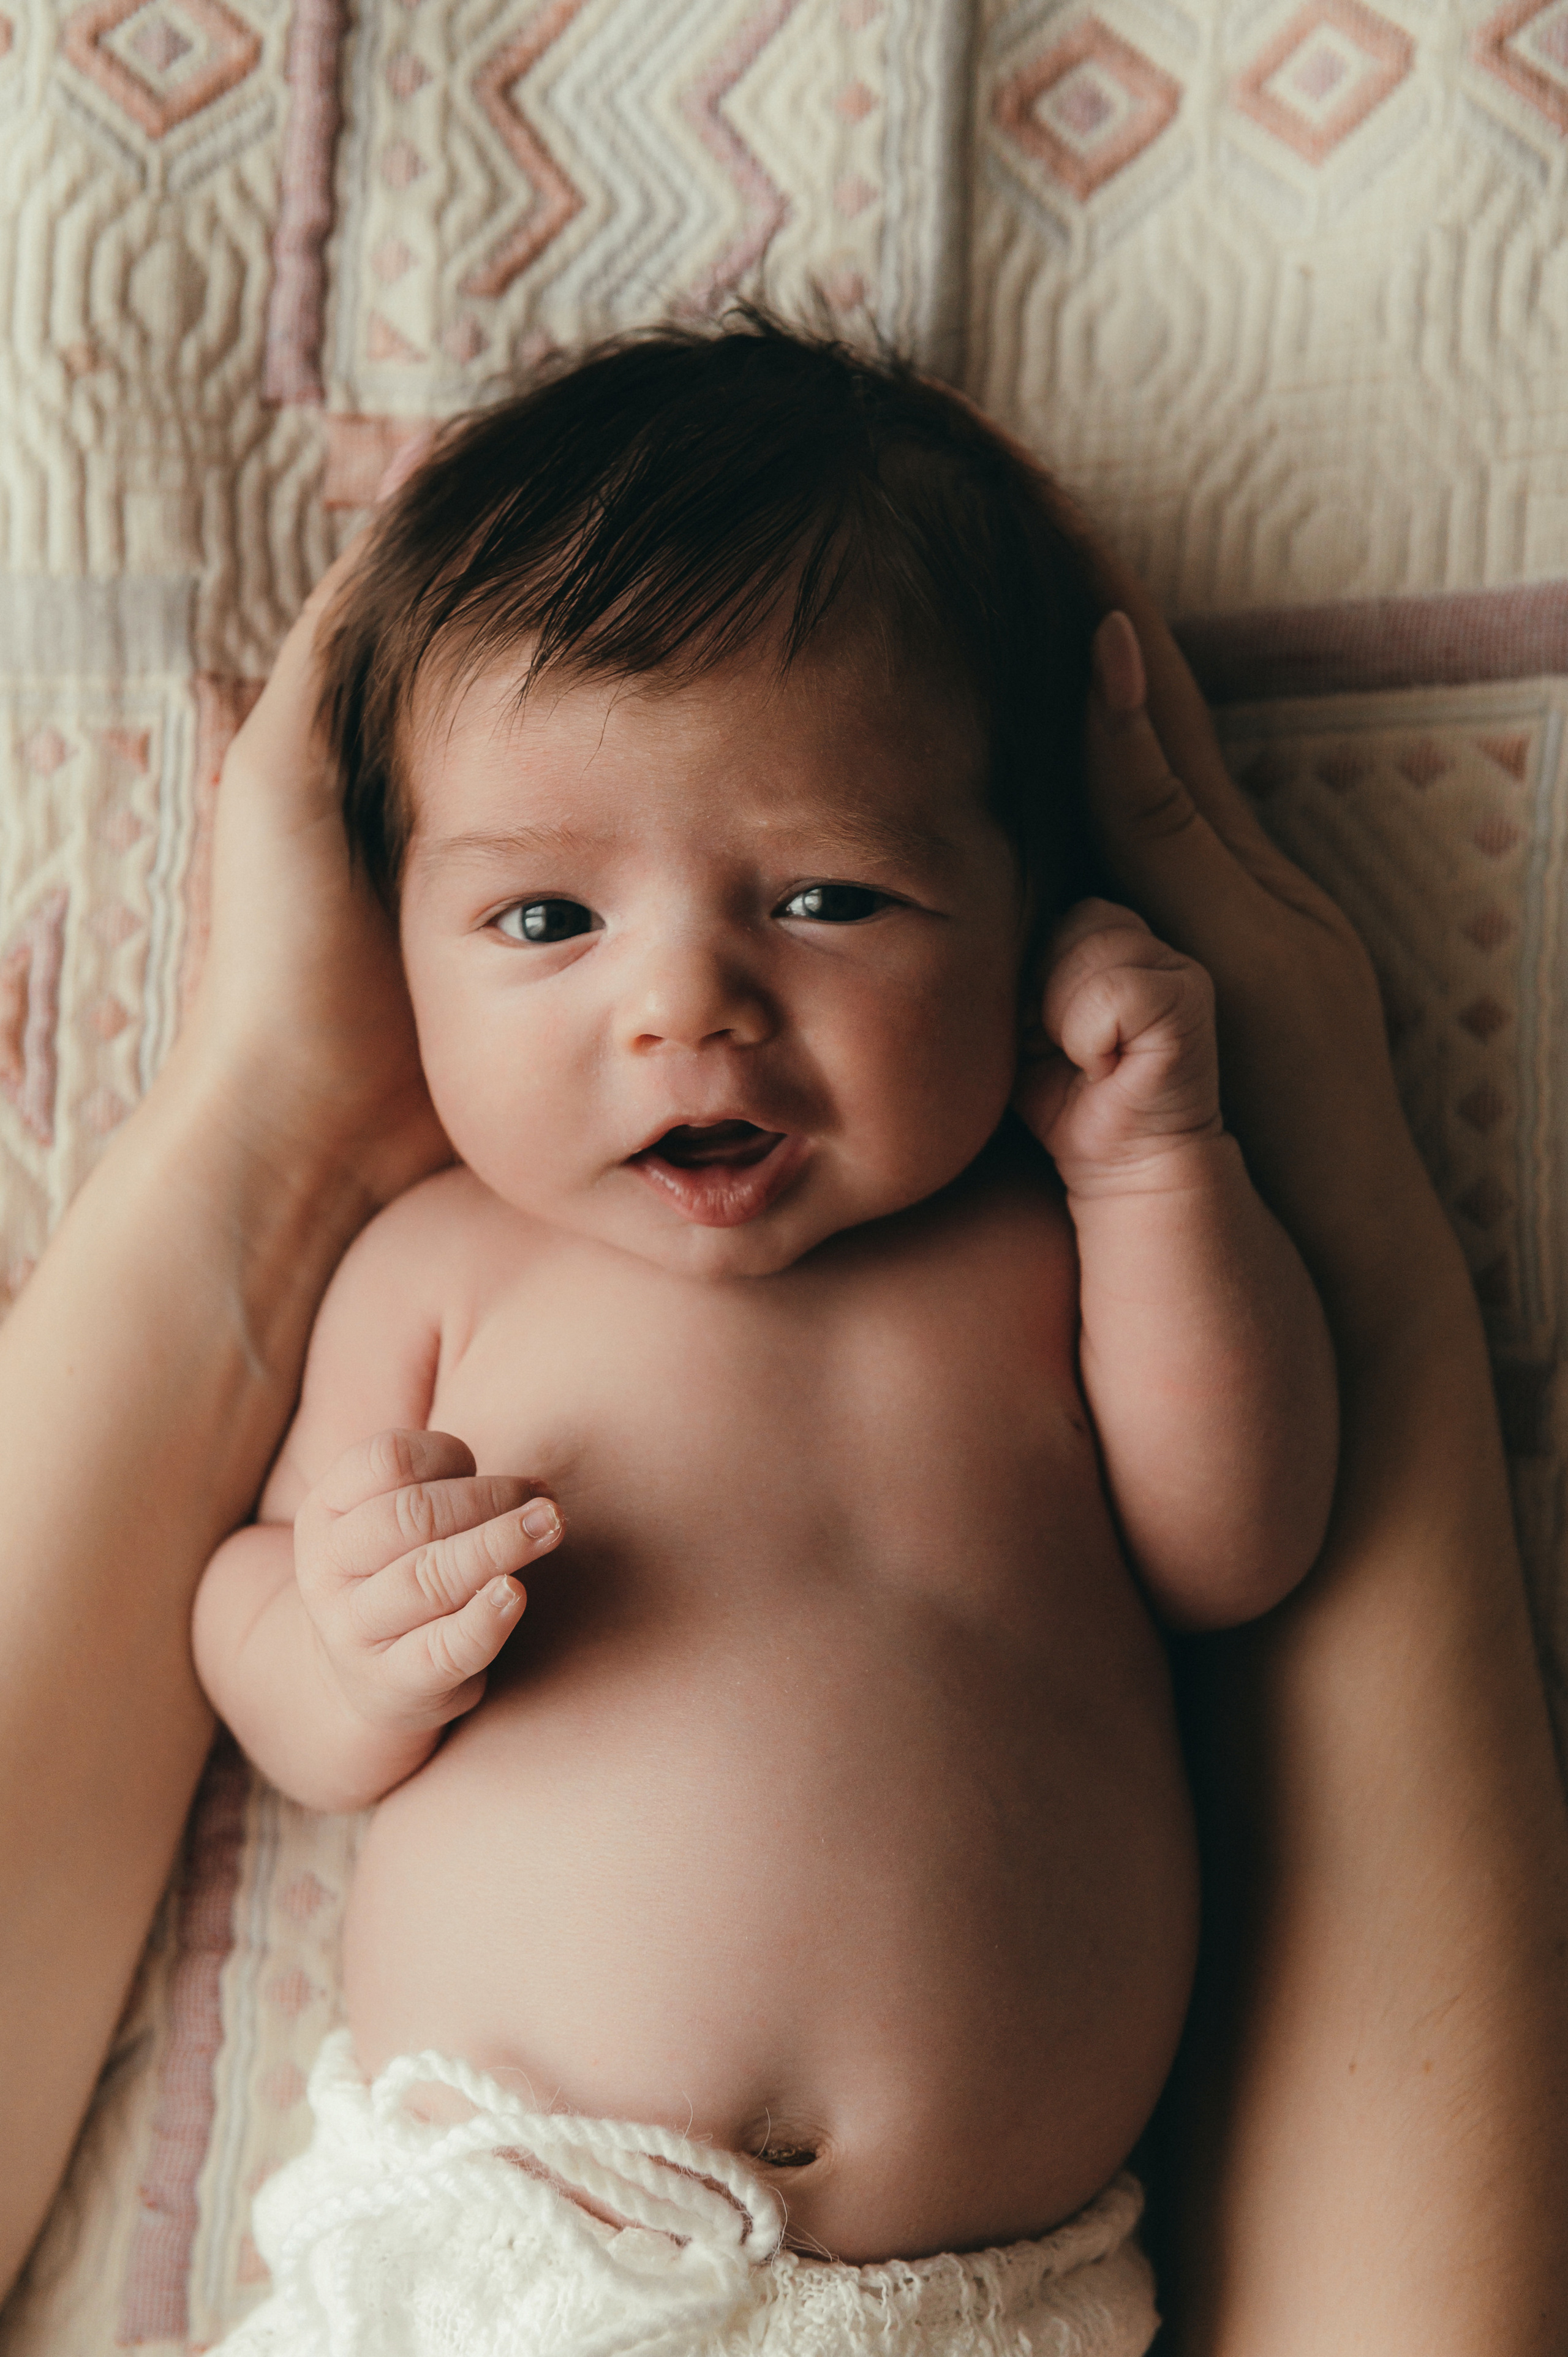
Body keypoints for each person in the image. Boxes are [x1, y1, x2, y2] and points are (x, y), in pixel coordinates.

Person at [1, 347, 1565, 2353]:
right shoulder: (434, 1266)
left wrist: (1162, 1165)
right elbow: (261, 1628)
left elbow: (1240, 1544)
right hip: (515, 2263)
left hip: (987, 2299)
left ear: (1032, 907)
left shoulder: (1047, 1235)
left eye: (828, 897)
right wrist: (347, 1642)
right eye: (546, 919)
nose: (687, 1004)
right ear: (393, 939)